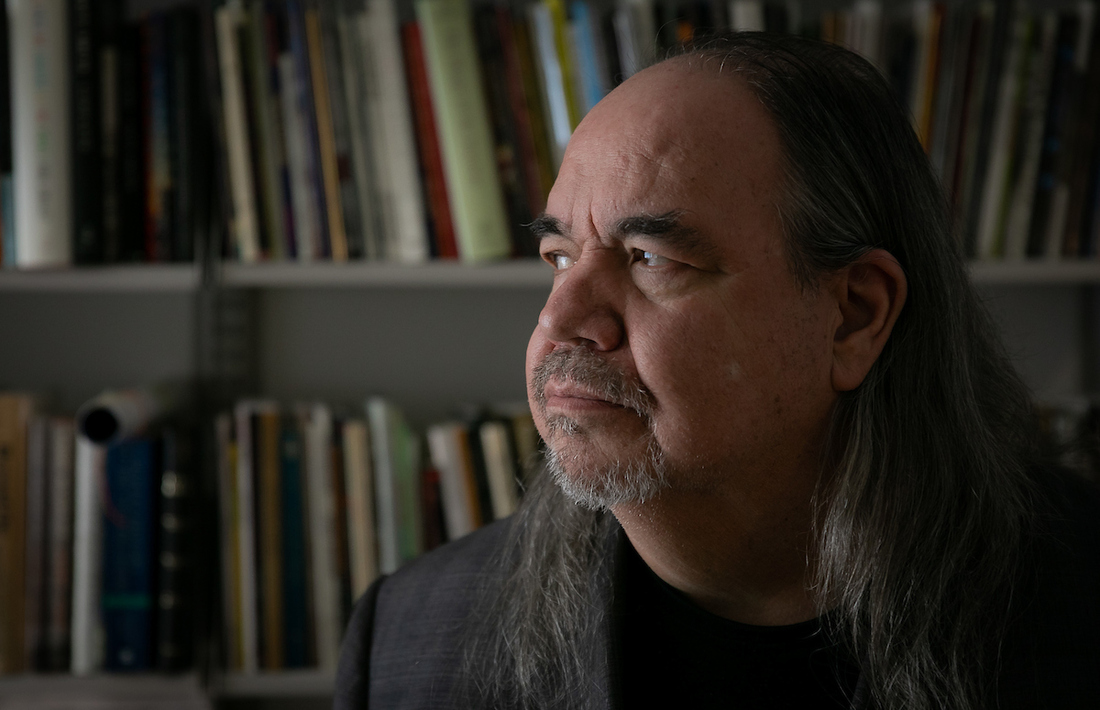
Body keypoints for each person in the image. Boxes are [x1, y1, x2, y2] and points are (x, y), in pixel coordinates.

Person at [335, 32, 1100, 710]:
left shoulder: (1075, 608)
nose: (559, 323)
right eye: (560, 256)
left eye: (652, 259)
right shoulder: (410, 645)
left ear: (855, 316)